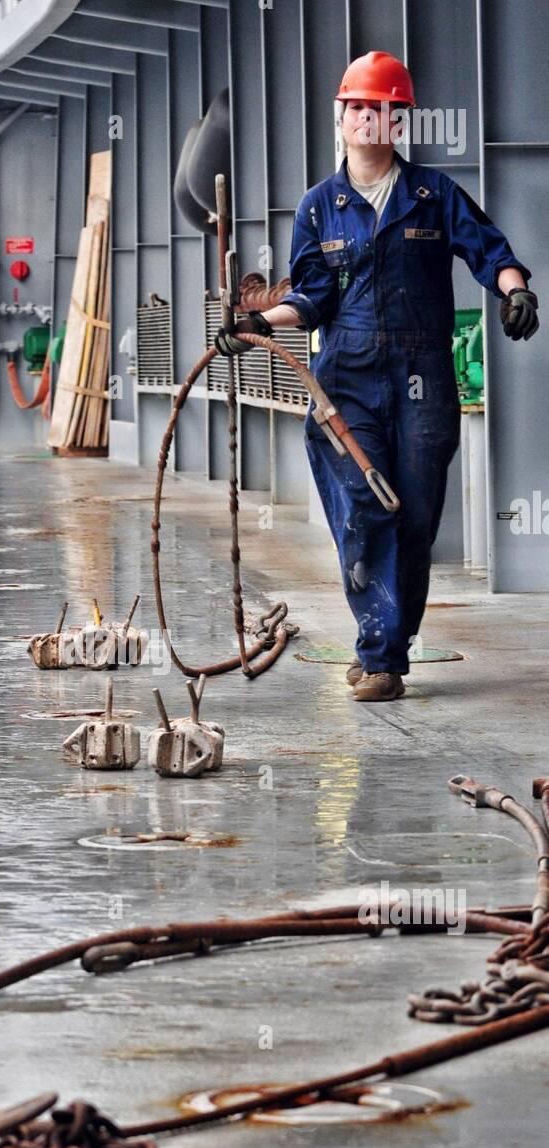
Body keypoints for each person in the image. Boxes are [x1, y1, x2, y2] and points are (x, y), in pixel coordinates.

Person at [217, 51, 538, 702]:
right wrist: (258, 325)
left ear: (400, 122)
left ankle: (387, 649)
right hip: (344, 378)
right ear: (340, 118)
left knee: (414, 518)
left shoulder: (434, 194)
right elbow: (309, 296)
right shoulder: (318, 207)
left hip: (422, 372)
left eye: (384, 110)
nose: (370, 120)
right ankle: (380, 656)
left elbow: (490, 251)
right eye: (359, 108)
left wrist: (514, 291)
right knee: (365, 511)